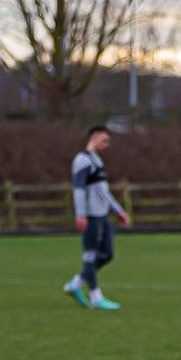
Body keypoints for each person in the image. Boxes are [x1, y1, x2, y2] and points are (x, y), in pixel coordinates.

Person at [63, 125, 131, 311]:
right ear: (94, 137)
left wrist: (118, 211)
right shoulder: (82, 160)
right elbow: (78, 189)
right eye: (104, 140)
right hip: (91, 216)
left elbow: (103, 192)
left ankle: (75, 284)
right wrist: (81, 215)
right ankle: (95, 297)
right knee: (90, 257)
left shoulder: (97, 161)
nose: (106, 145)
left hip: (102, 216)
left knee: (107, 254)